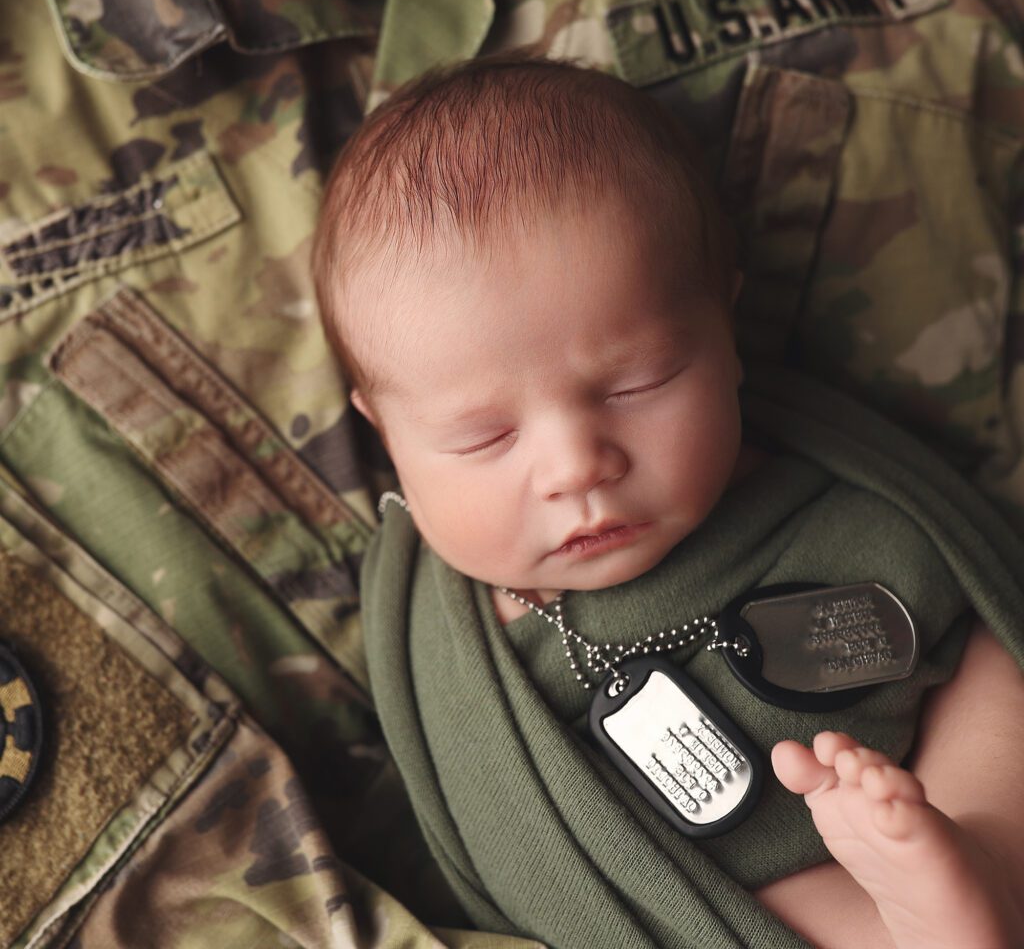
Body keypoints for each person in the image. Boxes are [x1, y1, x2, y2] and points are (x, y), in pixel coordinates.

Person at [313, 56, 1024, 949]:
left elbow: (977, 587)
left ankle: (976, 866)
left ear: (725, 332)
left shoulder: (830, 510)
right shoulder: (432, 639)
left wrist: (964, 821)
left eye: (637, 383)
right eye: (484, 438)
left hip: (909, 801)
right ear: (386, 433)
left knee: (994, 665)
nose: (578, 465)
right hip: (717, 902)